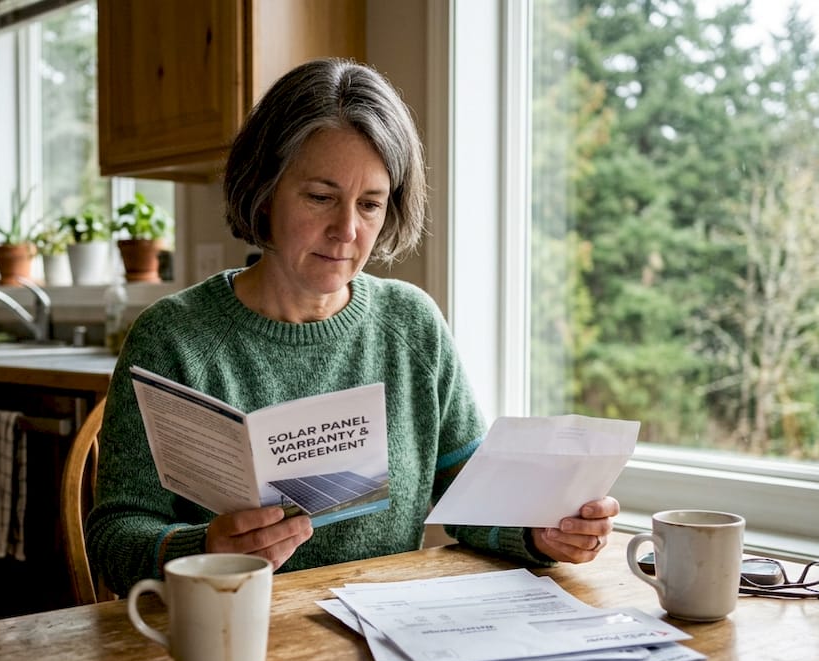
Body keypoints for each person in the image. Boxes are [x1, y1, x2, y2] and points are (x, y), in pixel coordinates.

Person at [86, 58, 619, 595]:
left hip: (384, 635)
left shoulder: (411, 323)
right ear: (265, 190)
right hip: (231, 630)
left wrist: (539, 531)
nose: (346, 230)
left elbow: (472, 498)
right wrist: (204, 550)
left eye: (370, 205)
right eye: (320, 197)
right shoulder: (174, 338)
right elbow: (115, 539)